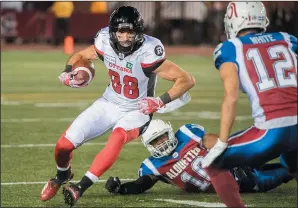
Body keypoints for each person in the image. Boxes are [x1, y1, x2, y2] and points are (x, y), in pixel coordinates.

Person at [39, 6, 195, 206]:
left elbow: (186, 79)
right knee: (63, 146)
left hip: (137, 109)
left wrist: (159, 100)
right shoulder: (104, 41)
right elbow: (82, 56)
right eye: (121, 31)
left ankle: (81, 187)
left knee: (118, 136)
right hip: (109, 102)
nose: (125, 37)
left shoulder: (148, 51)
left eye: (131, 32)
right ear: (113, 32)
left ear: (139, 32)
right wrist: (69, 71)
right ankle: (62, 176)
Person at [200, 2, 297, 179]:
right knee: (291, 159)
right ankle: (289, 169)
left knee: (211, 159)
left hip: (271, 131)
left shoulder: (230, 48)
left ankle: (261, 181)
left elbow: (231, 98)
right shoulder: (287, 39)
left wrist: (222, 143)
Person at [105, 120, 293, 206]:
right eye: (155, 142)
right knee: (288, 171)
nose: (161, 144)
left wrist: (238, 160)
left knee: (272, 147)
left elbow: (220, 142)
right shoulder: (153, 166)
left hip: (235, 167)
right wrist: (120, 188)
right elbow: (140, 185)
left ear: (169, 132)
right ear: (147, 146)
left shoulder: (187, 134)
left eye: (162, 138)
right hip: (245, 184)